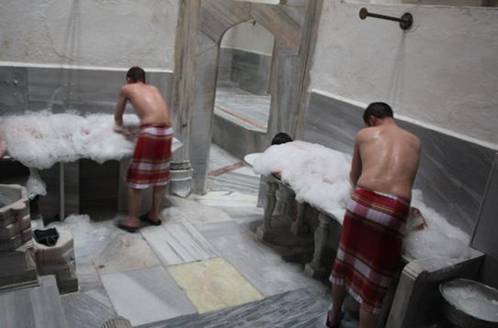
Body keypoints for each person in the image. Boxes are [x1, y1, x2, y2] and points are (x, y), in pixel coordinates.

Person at [327, 102, 421, 328]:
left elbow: (355, 175)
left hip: (363, 201)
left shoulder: (365, 134)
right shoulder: (415, 141)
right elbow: (408, 181)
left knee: (344, 262)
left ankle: (334, 315)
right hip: (394, 209)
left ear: (371, 119)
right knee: (374, 282)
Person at [114, 66, 173, 232]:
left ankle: (132, 220)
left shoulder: (127, 88)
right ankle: (154, 214)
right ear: (144, 79)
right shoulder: (153, 88)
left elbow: (118, 116)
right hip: (167, 131)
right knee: (160, 176)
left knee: (136, 178)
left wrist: (121, 130)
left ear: (129, 79)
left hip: (150, 132)